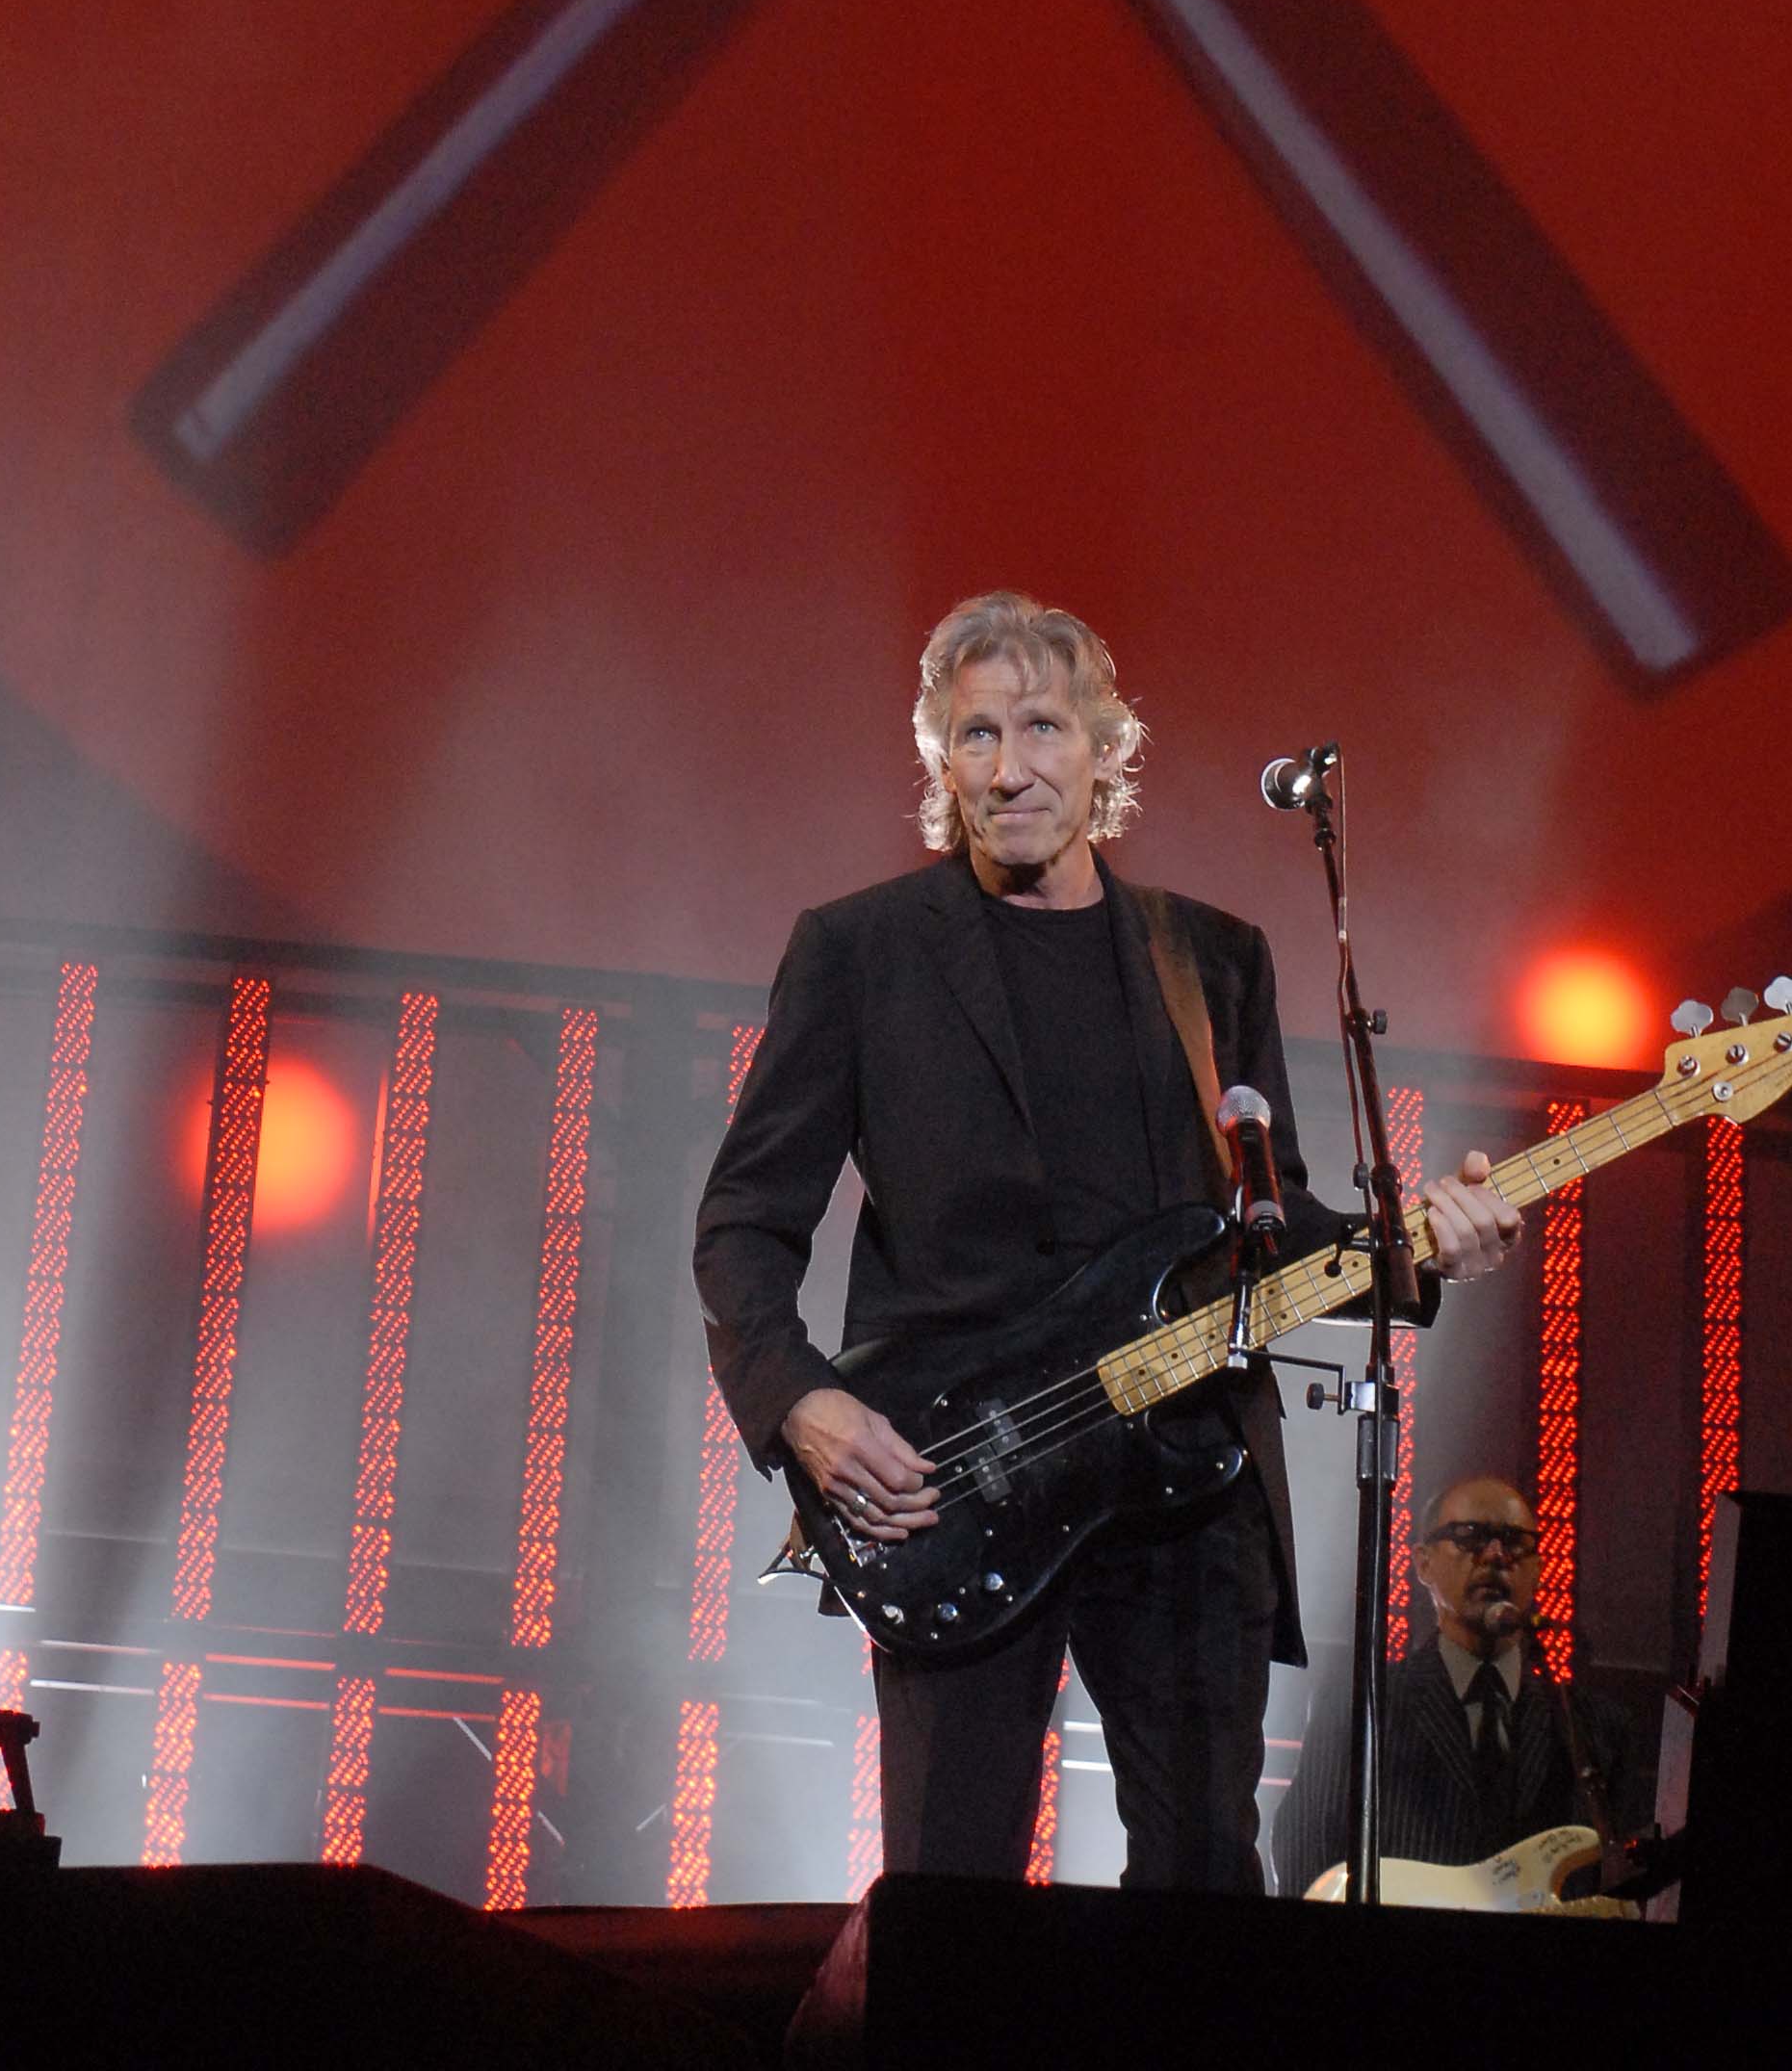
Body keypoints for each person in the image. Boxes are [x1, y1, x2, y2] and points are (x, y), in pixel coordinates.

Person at [692, 589, 1520, 1893]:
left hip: (1188, 1481)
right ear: (941, 761)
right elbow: (744, 1221)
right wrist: (803, 1404)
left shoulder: (1212, 960)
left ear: (1105, 751)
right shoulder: (861, 951)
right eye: (976, 735)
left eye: (1041, 727)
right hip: (958, 1477)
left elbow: (1269, 1226)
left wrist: (1418, 1249)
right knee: (954, 1891)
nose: (1008, 767)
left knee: (1203, 1884)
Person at [1269, 1472, 1638, 1891]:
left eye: (1515, 1541)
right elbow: (1305, 1852)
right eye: (1469, 1537)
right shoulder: (1364, 1706)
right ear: (1423, 1562)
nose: (1496, 1555)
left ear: (1539, 1568)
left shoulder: (1594, 1727)